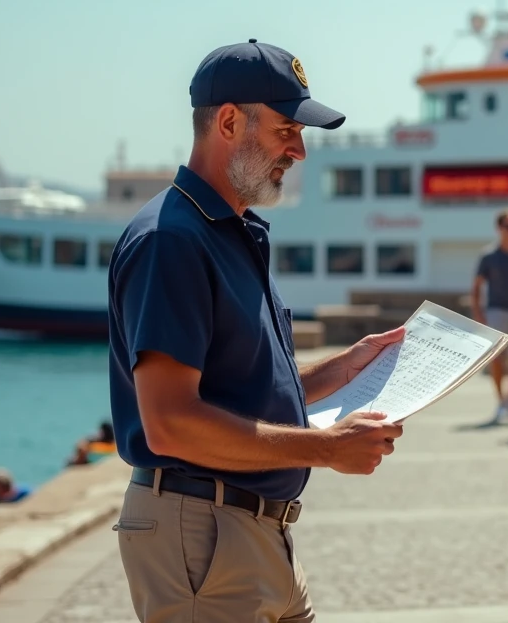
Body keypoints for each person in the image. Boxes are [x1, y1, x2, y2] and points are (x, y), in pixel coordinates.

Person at [107, 40, 405, 623]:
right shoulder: (172, 241)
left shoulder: (227, 231)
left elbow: (237, 385)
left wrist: (340, 370)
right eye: (285, 130)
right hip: (205, 537)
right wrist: (326, 449)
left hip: (251, 533)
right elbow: (169, 423)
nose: (298, 151)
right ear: (227, 121)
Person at [472, 207, 508, 422]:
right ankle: (500, 402)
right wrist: (478, 313)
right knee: (496, 360)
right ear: (499, 228)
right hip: (496, 311)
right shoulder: (488, 256)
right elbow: (477, 285)